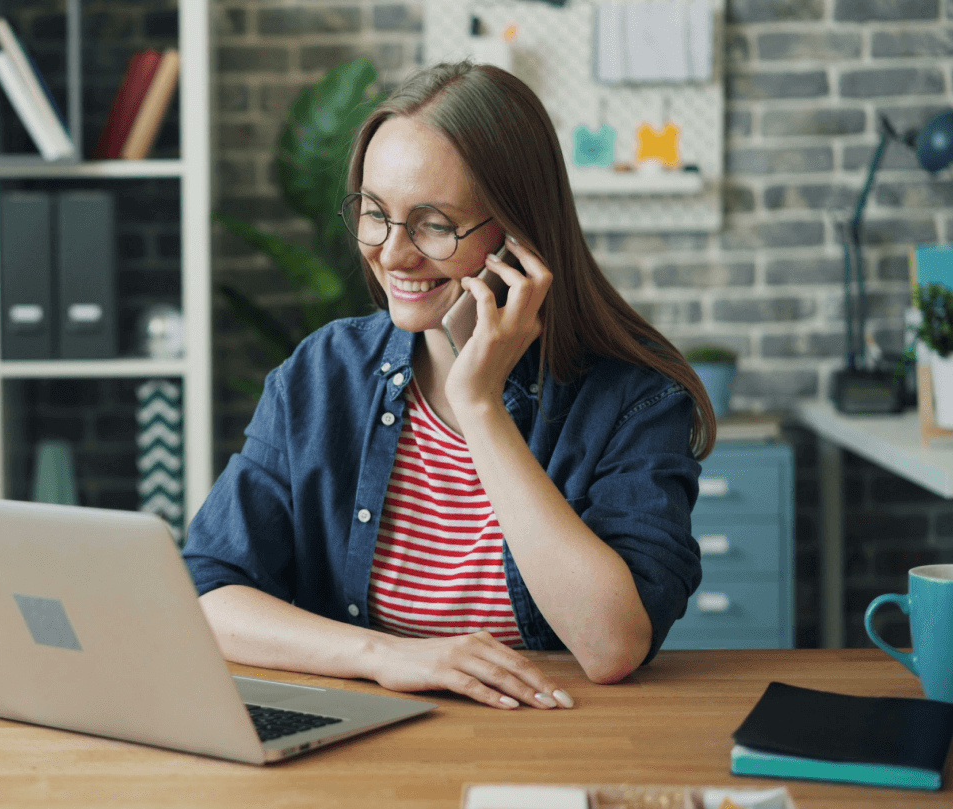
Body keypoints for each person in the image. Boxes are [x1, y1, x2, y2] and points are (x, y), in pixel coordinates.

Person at [182, 61, 716, 712]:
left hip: (555, 739)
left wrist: (481, 404)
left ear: (518, 234)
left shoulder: (634, 396)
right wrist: (387, 655)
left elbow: (610, 646)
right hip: (370, 740)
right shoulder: (322, 373)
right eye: (375, 213)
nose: (394, 253)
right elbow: (209, 592)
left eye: (435, 224)